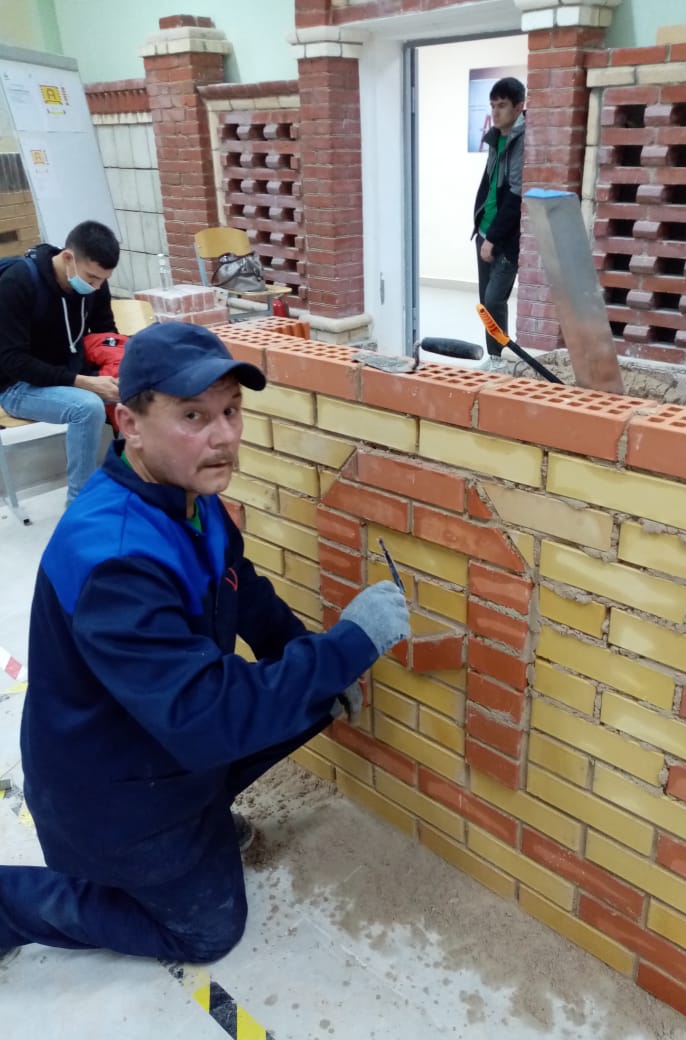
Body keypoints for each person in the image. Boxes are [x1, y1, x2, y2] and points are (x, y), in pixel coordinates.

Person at [0, 321, 410, 964]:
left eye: (230, 411)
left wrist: (320, 662)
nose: (223, 436)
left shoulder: (189, 496)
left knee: (312, 693)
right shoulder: (115, 560)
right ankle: (11, 903)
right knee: (209, 933)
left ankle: (200, 818)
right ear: (130, 423)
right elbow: (207, 717)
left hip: (158, 735)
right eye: (193, 415)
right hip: (107, 792)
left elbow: (243, 590)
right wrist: (348, 645)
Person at [0, 220, 121, 505]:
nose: (96, 286)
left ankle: (134, 485)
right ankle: (80, 504)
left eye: (103, 280)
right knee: (87, 408)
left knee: (139, 390)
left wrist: (117, 372)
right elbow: (13, 361)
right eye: (92, 278)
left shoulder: (94, 286)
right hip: (17, 385)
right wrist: (83, 382)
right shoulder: (17, 283)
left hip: (71, 375)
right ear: (68, 258)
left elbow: (105, 335)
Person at [472, 77, 526, 358]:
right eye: (492, 105)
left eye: (502, 105)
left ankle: (501, 356)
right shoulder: (496, 138)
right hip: (484, 231)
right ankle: (495, 358)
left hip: (504, 238)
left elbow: (516, 196)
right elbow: (490, 184)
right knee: (486, 303)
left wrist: (492, 238)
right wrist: (482, 231)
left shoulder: (522, 140)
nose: (495, 111)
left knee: (494, 301)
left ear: (519, 107)